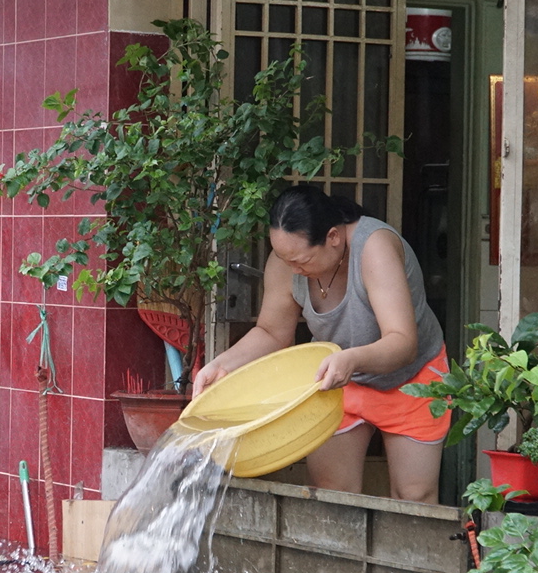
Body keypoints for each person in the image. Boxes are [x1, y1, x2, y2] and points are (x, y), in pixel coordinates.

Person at [190, 185, 448, 502]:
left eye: (302, 260)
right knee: (332, 493)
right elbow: (272, 332)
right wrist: (222, 364)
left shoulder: (374, 247)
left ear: (333, 238)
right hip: (336, 378)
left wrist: (350, 361)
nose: (293, 269)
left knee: (414, 494)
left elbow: (402, 342)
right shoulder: (286, 262)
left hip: (412, 376)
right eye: (285, 258)